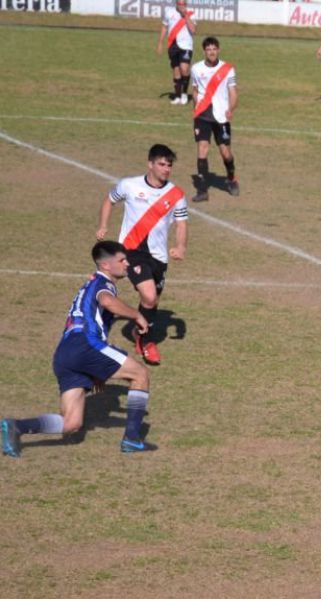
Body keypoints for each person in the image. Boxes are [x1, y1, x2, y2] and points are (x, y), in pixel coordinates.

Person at [1, 242, 155, 458]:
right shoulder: (103, 283)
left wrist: (97, 370)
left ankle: (17, 427)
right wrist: (137, 315)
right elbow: (108, 302)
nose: (127, 264)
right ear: (106, 265)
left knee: (71, 423)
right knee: (140, 374)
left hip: (65, 354)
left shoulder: (90, 285)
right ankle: (132, 438)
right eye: (122, 260)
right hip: (85, 344)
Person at [96, 144, 189, 365]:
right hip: (131, 251)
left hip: (159, 257)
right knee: (148, 296)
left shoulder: (176, 194)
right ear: (150, 164)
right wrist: (103, 225)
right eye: (161, 164)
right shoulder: (129, 185)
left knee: (152, 301)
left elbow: (182, 224)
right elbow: (110, 200)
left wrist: (181, 246)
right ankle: (147, 343)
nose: (166, 169)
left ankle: (140, 334)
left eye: (169, 165)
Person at [190, 36, 239, 202]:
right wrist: (196, 107)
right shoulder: (196, 68)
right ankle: (203, 191)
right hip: (202, 115)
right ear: (204, 51)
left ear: (218, 50)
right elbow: (195, 90)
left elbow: (233, 93)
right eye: (208, 49)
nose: (211, 52)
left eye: (214, 49)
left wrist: (230, 109)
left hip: (221, 116)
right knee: (202, 149)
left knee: (225, 153)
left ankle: (231, 178)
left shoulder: (227, 69)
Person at [156, 0, 197, 106]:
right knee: (176, 71)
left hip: (186, 46)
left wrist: (185, 16)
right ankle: (177, 96)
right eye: (179, 4)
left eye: (184, 4)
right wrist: (160, 42)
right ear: (176, 4)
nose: (182, 6)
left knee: (184, 69)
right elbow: (164, 26)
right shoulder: (169, 12)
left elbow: (193, 30)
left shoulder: (191, 14)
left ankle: (184, 94)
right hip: (172, 46)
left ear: (186, 5)